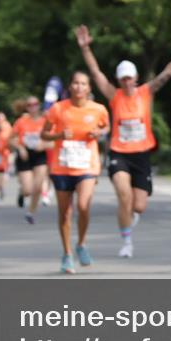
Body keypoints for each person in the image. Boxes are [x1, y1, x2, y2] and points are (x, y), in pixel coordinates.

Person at [76, 25, 171, 258]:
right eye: (123, 78)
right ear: (119, 80)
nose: (126, 82)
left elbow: (167, 73)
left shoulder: (146, 92)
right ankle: (126, 241)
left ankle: (131, 217)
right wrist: (86, 49)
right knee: (123, 196)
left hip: (141, 154)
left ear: (135, 79)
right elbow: (96, 73)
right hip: (119, 153)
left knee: (138, 206)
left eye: (130, 78)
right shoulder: (114, 96)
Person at [41, 71, 110, 274]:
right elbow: (43, 133)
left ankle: (81, 243)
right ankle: (67, 253)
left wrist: (99, 133)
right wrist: (59, 135)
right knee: (65, 213)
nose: (79, 87)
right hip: (62, 165)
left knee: (83, 205)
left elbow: (106, 128)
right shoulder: (58, 109)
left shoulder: (98, 109)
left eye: (83, 84)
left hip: (87, 165)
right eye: (76, 83)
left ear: (89, 88)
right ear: (70, 86)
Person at [12, 96, 49, 224]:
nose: (33, 107)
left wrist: (44, 145)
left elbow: (55, 140)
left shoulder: (45, 121)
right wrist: (20, 148)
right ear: (26, 107)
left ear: (39, 105)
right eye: (30, 105)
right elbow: (11, 139)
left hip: (40, 155)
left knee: (38, 186)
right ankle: (22, 192)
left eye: (35, 104)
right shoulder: (21, 121)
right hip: (25, 155)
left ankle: (31, 212)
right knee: (28, 190)